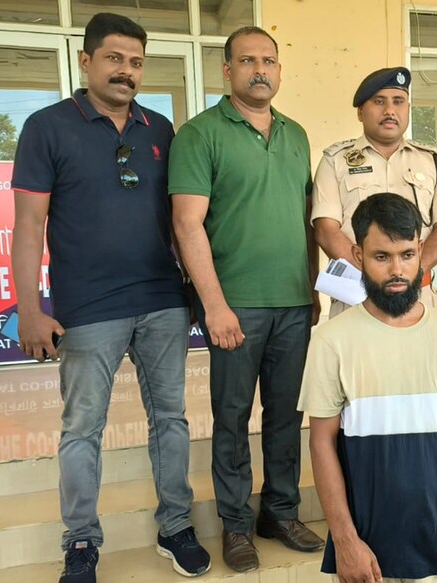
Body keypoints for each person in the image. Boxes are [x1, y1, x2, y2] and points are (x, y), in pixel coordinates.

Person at [10, 12, 210, 583]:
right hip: (88, 309)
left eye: (137, 62)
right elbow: (28, 227)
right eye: (115, 59)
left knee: (170, 418)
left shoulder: (160, 128)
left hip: (163, 302)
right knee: (82, 430)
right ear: (86, 61)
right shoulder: (47, 127)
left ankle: (176, 526)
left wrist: (195, 290)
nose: (127, 71)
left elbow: (180, 221)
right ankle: (80, 542)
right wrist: (29, 308)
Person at [169, 25, 324, 573]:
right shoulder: (199, 133)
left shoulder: (297, 134)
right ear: (227, 71)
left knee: (287, 414)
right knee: (232, 417)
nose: (261, 70)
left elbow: (307, 223)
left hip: (292, 304)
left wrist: (310, 288)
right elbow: (187, 225)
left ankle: (279, 511)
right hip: (235, 306)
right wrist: (214, 305)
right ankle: (236, 524)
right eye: (248, 60)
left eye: (270, 61)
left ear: (279, 71)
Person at [300, 192, 437, 583]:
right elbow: (321, 443)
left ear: (421, 250)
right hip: (369, 547)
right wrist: (346, 541)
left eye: (407, 254)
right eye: (381, 257)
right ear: (357, 256)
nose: (397, 270)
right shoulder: (331, 340)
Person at [312, 67, 437, 317]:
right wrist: (376, 275)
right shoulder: (335, 161)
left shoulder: (430, 160)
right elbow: (327, 231)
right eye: (379, 101)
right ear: (361, 111)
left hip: (418, 296)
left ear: (408, 109)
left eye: (398, 102)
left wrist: (410, 273)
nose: (390, 111)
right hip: (357, 295)